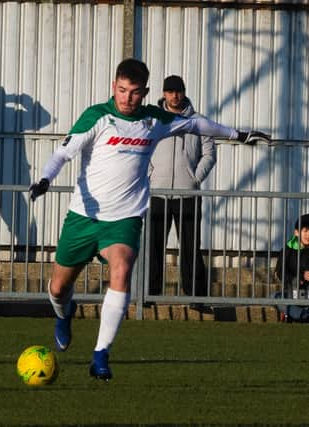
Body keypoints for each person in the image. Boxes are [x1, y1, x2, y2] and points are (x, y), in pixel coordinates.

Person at [29, 58, 270, 381]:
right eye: (122, 90)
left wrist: (238, 134)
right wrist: (44, 179)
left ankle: (101, 354)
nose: (127, 98)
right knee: (59, 288)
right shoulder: (97, 117)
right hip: (83, 217)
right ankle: (64, 313)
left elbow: (197, 124)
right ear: (114, 87)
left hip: (125, 219)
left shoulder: (155, 121)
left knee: (123, 269)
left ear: (144, 93)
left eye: (134, 93)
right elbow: (62, 153)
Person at [148, 75, 215, 309]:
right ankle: (149, 294)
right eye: (170, 91)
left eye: (178, 91)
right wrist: (150, 176)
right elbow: (141, 149)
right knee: (153, 245)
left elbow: (209, 154)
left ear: (184, 92)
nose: (174, 96)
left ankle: (196, 297)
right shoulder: (153, 121)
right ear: (164, 93)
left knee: (190, 247)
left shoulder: (199, 121)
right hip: (157, 193)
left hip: (189, 194)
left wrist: (195, 178)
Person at [275, 214, 309, 322]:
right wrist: (299, 277)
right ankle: (303, 316)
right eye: (305, 231)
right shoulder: (287, 250)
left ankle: (301, 315)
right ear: (297, 232)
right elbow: (280, 272)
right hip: (292, 292)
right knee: (274, 297)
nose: (308, 235)